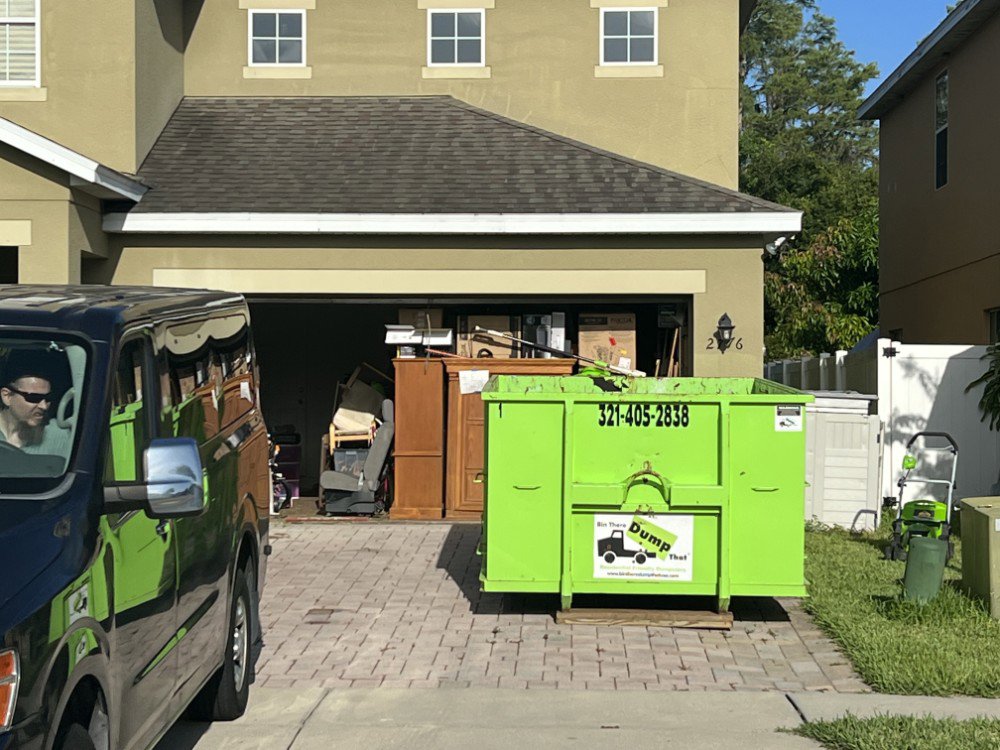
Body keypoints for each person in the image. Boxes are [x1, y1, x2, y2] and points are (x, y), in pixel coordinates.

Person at [0, 351, 71, 457]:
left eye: (48, 398)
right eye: (34, 398)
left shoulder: (60, 437)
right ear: (7, 396)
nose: (44, 406)